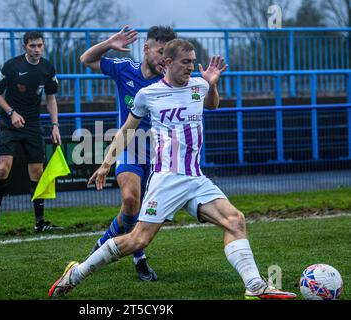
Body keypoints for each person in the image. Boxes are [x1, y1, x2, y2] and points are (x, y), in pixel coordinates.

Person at [48, 39, 297, 300]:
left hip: (195, 178)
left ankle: (255, 286)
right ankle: (75, 274)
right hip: (166, 179)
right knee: (137, 240)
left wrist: (212, 84)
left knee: (235, 220)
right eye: (185, 62)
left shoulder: (198, 86)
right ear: (168, 63)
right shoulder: (149, 94)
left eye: (192, 61)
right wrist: (105, 164)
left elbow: (212, 105)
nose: (191, 67)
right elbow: (126, 131)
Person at [79, 25, 177, 281]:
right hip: (130, 148)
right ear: (146, 49)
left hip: (159, 155)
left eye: (169, 55)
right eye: (161, 52)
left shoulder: (170, 82)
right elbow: (86, 59)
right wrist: (109, 43)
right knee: (131, 201)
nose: (165, 60)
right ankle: (131, 257)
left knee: (144, 212)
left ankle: (124, 251)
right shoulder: (124, 69)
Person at [0, 31, 63, 236]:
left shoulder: (47, 68)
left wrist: (55, 125)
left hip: (33, 125)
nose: (36, 49)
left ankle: (39, 222)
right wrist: (11, 113)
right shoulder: (11, 66)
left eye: (39, 46)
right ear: (24, 47)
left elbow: (51, 98)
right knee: (3, 168)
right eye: (32, 46)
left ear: (43, 46)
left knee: (37, 172)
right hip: (10, 123)